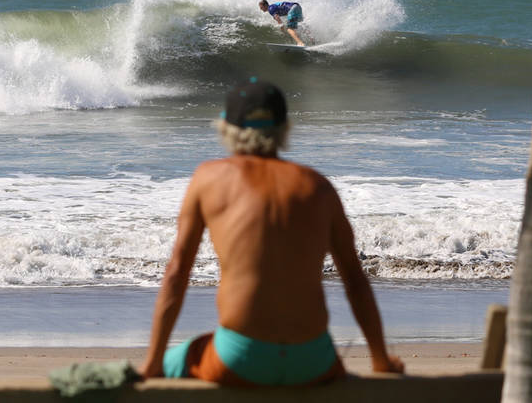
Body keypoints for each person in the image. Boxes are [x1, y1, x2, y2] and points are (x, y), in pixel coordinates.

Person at [139, 78, 404, 385]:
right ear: (284, 128)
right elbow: (355, 281)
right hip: (313, 359)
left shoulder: (209, 178)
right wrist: (381, 361)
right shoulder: (318, 186)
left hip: (241, 356)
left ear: (226, 127)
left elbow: (176, 272)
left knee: (178, 360)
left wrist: (153, 363)